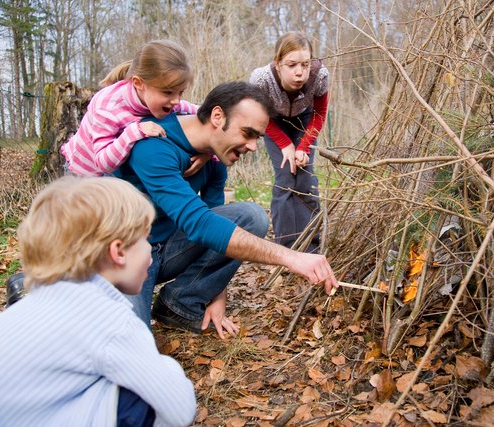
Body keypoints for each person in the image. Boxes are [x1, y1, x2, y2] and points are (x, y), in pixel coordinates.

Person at [114, 81, 338, 340]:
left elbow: (213, 227)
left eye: (258, 137)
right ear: (217, 116)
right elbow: (199, 224)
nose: (253, 146)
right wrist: (292, 257)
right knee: (132, 347)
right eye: (248, 133)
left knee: (250, 216)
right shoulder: (153, 145)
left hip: (167, 248)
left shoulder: (213, 158)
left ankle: (179, 302)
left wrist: (215, 294)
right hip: (127, 254)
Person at [0, 176, 196, 426]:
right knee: (136, 404)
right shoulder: (110, 321)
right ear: (118, 252)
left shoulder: (21, 312)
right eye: (145, 240)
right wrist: (166, 366)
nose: (150, 252)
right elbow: (181, 410)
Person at [61, 39, 207, 177]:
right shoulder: (108, 108)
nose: (176, 100)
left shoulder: (167, 101)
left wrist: (208, 152)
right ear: (138, 83)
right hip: (86, 175)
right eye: (168, 92)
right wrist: (134, 131)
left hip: (118, 172)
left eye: (181, 92)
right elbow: (103, 163)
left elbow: (208, 117)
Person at [249, 32, 330, 253]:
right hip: (272, 121)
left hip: (305, 120)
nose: (299, 72)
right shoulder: (261, 80)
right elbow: (258, 115)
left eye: (305, 64)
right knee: (286, 176)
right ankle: (286, 248)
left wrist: (303, 147)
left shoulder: (320, 76)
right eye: (292, 65)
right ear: (278, 64)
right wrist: (285, 144)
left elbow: (320, 113)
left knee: (305, 177)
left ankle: (311, 246)